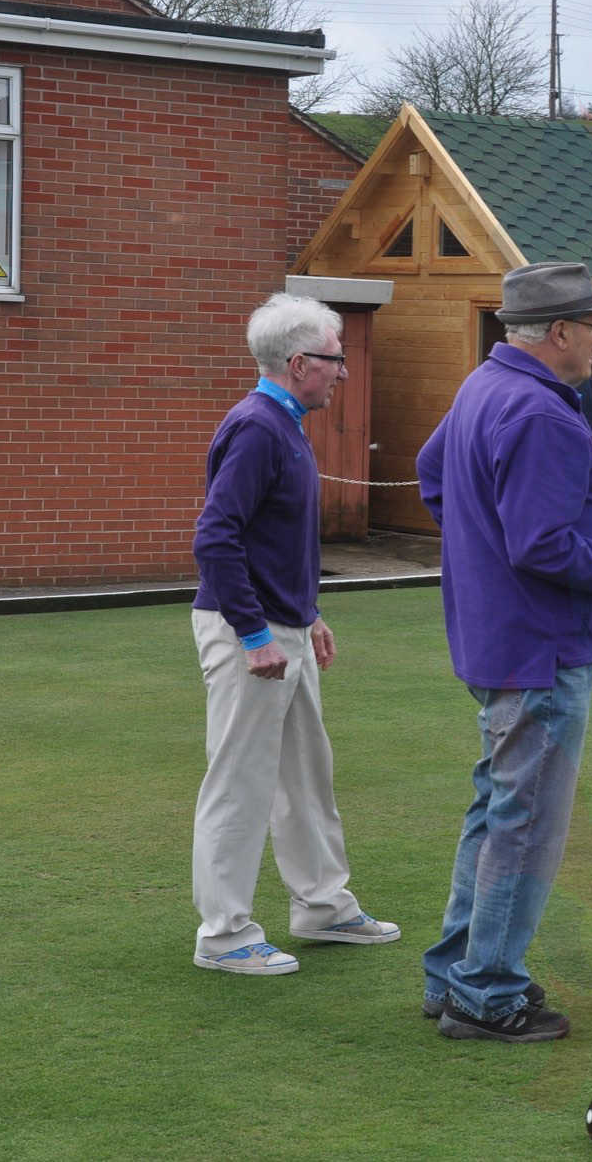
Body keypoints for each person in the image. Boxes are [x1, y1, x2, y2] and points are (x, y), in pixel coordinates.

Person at [416, 262, 592, 1043]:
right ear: (559, 332)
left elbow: (434, 479)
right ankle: (486, 993)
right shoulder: (544, 413)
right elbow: (544, 545)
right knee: (524, 821)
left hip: (493, 633)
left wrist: (493, 543)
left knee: (495, 808)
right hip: (541, 646)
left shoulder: (481, 388)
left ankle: (455, 973)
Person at [189, 292, 399, 976]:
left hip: (285, 625)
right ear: (300, 362)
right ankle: (223, 936)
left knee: (306, 775)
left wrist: (307, 616)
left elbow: (270, 539)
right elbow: (215, 537)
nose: (344, 373)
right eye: (337, 361)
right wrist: (255, 636)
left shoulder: (286, 425)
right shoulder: (256, 426)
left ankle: (322, 906)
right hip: (245, 629)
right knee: (241, 781)